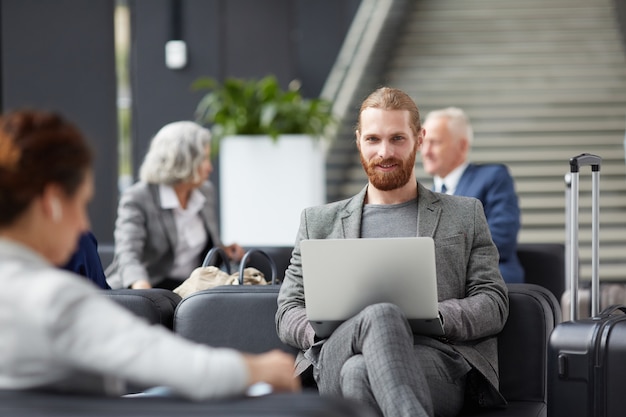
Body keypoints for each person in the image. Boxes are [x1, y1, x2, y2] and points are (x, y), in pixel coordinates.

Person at [0, 109, 299, 398]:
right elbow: (172, 362)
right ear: (52, 203)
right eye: (81, 204)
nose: (83, 224)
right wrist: (261, 368)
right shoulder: (53, 299)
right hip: (154, 287)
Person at [276, 87, 509, 417]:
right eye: (373, 139)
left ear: (419, 138)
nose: (384, 152)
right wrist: (327, 326)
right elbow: (287, 310)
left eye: (397, 139)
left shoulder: (465, 214)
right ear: (358, 140)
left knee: (358, 373)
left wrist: (437, 315)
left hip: (434, 359)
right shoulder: (319, 221)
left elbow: (493, 302)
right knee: (380, 316)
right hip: (337, 352)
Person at [106, 121, 245, 290]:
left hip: (191, 289)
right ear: (183, 161)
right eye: (204, 159)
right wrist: (143, 290)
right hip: (151, 287)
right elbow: (127, 255)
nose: (210, 168)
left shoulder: (205, 191)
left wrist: (224, 249)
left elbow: (199, 247)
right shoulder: (138, 197)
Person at [421, 107, 524, 284]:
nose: (425, 152)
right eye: (423, 143)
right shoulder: (425, 194)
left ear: (462, 146)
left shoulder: (493, 177)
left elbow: (501, 240)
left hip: (487, 278)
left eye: (435, 142)